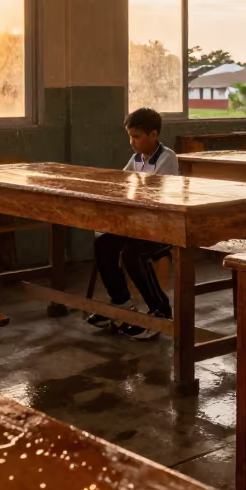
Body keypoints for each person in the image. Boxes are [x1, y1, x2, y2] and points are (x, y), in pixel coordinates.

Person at [87, 107, 175, 340]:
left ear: (154, 134)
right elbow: (122, 182)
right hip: (136, 224)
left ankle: (161, 312)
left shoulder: (167, 158)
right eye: (130, 136)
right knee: (103, 244)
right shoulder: (136, 159)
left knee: (132, 253)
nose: (132, 142)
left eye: (136, 136)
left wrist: (130, 189)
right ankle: (122, 304)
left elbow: (153, 192)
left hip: (162, 227)